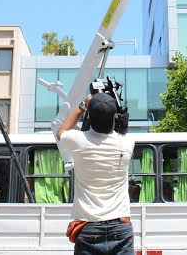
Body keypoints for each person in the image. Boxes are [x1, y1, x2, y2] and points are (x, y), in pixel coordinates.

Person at [57, 93, 135, 255]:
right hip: (120, 226)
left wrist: (81, 106)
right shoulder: (128, 142)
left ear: (89, 116)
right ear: (114, 116)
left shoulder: (77, 140)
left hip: (88, 227)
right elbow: (122, 129)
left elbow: (61, 131)